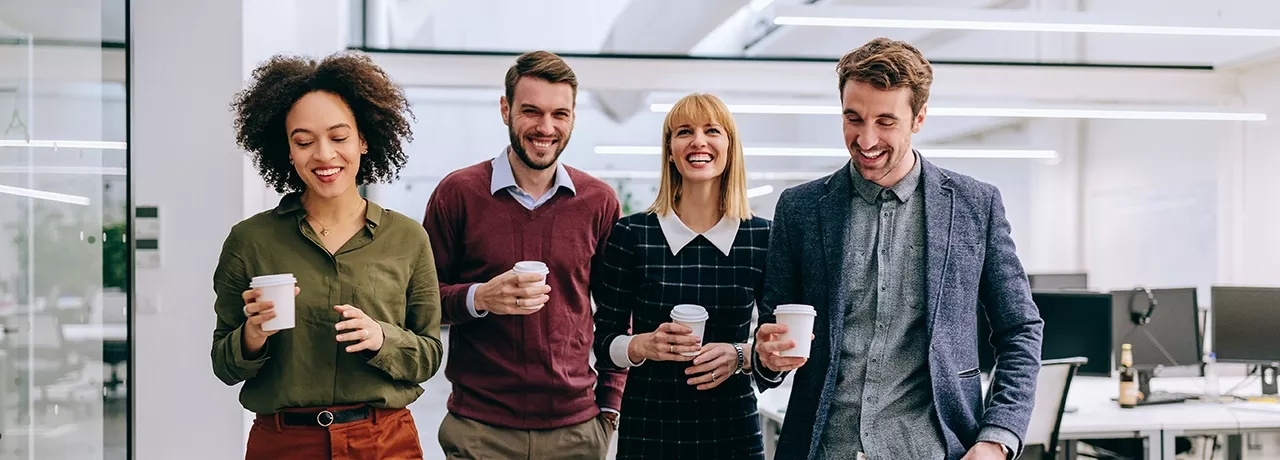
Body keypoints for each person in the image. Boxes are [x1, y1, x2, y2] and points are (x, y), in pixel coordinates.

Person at [751, 37, 1044, 460]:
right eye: (853, 118)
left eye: (885, 122)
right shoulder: (800, 209)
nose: (866, 140)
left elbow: (1020, 329)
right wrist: (768, 356)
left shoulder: (974, 206)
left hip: (934, 446)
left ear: (918, 118)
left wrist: (998, 438)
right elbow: (773, 329)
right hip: (824, 447)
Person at [212, 51, 443, 460]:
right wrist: (252, 337)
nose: (323, 155)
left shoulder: (408, 238)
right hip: (284, 445)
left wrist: (381, 339)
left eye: (339, 138)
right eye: (304, 141)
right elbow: (224, 365)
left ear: (364, 139)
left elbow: (428, 355)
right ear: (286, 150)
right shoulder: (250, 241)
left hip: (384, 442)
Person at [421, 50, 624, 459]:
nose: (546, 127)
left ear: (572, 117)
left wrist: (610, 406)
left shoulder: (598, 201)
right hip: (479, 430)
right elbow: (420, 300)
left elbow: (618, 312)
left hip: (577, 429)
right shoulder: (457, 194)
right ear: (505, 110)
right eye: (531, 111)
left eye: (559, 114)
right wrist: (480, 298)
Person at [593, 93, 770, 459]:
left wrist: (740, 355)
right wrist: (641, 345)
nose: (699, 142)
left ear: (730, 147)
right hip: (650, 430)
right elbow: (604, 343)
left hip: (733, 430)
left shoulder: (762, 238)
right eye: (685, 132)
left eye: (712, 131)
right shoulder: (632, 235)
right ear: (670, 150)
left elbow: (778, 349)